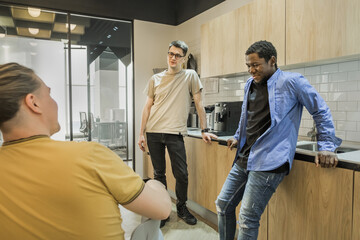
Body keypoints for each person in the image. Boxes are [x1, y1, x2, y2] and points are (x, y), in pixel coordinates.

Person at [0, 63, 172, 240]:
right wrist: (154, 184)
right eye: (49, 94)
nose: (54, 101)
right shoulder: (89, 155)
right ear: (33, 102)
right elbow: (162, 209)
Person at [215, 40, 342, 240]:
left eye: (255, 65)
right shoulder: (250, 84)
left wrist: (326, 146)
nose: (251, 70)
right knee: (223, 204)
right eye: (248, 65)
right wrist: (238, 136)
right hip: (245, 156)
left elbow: (320, 111)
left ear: (272, 60)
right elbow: (246, 116)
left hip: (270, 160)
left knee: (247, 218)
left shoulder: (292, 81)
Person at [138, 40, 217, 227]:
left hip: (175, 133)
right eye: (171, 54)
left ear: (183, 59)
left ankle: (182, 207)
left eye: (177, 55)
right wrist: (141, 133)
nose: (173, 58)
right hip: (154, 132)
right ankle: (163, 210)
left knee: (181, 174)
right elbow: (147, 107)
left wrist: (204, 130)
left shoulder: (190, 75)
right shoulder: (155, 79)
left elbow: (199, 103)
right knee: (159, 174)